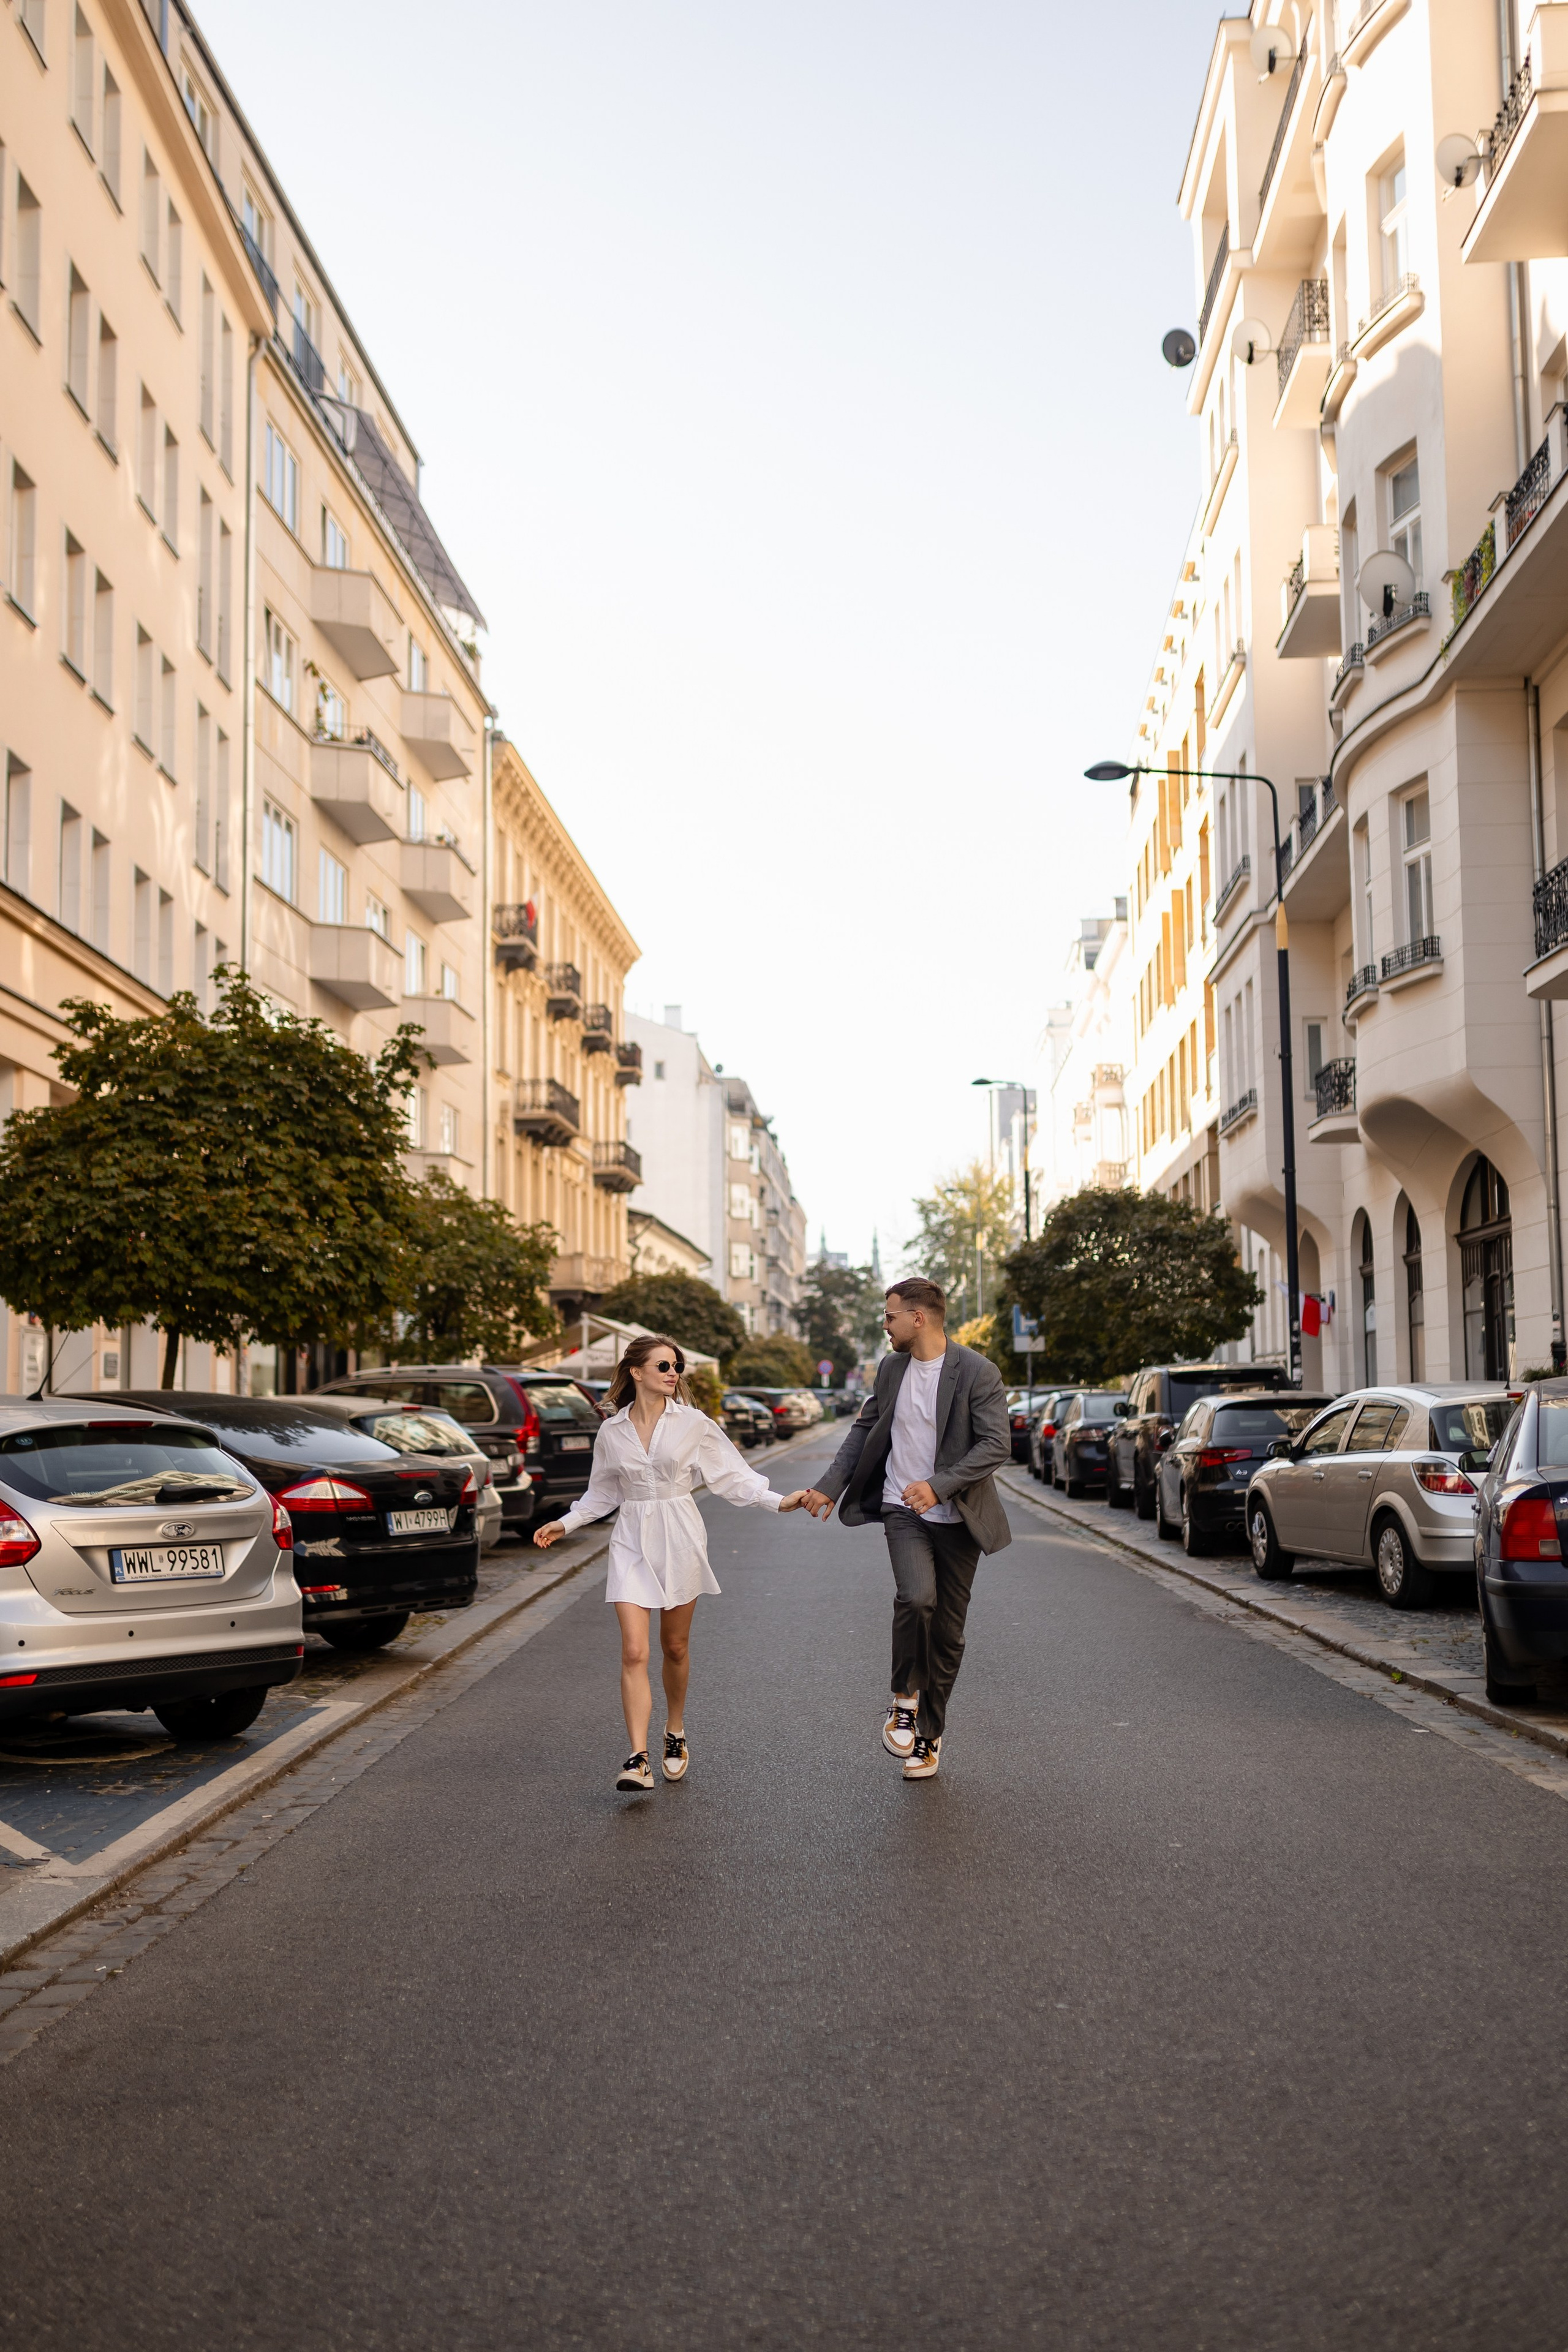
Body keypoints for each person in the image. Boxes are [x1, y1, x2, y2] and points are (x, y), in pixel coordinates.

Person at [535, 1333, 810, 1792]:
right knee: (634, 1651)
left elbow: (732, 1476)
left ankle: (675, 1729)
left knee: (675, 1647)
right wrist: (566, 1523)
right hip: (631, 1538)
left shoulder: (693, 1423)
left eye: (676, 1366)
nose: (673, 1373)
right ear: (637, 1372)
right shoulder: (612, 1431)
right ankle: (637, 1758)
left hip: (680, 1535)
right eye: (663, 1365)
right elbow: (603, 1492)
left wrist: (779, 1501)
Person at [801, 1278, 1010, 1780]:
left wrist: (939, 1486)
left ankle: (930, 1736)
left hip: (958, 1516)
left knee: (948, 1634)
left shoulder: (977, 1371)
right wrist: (829, 1486)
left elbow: (996, 1445)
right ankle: (904, 1699)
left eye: (890, 1316)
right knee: (917, 1598)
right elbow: (864, 1429)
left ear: (918, 1318)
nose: (885, 1325)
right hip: (902, 1508)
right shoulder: (891, 1368)